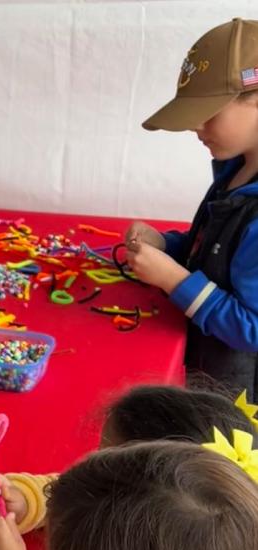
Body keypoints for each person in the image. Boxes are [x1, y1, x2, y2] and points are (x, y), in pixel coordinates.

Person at [0, 385, 257, 550]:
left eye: (107, 457)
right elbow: (75, 489)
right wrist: (27, 502)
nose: (92, 465)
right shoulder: (217, 519)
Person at [126, 18, 258, 398]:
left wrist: (173, 280)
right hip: (200, 371)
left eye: (210, 111)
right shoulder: (236, 171)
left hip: (234, 408)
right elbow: (217, 256)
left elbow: (251, 327)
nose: (195, 127)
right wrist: (168, 246)